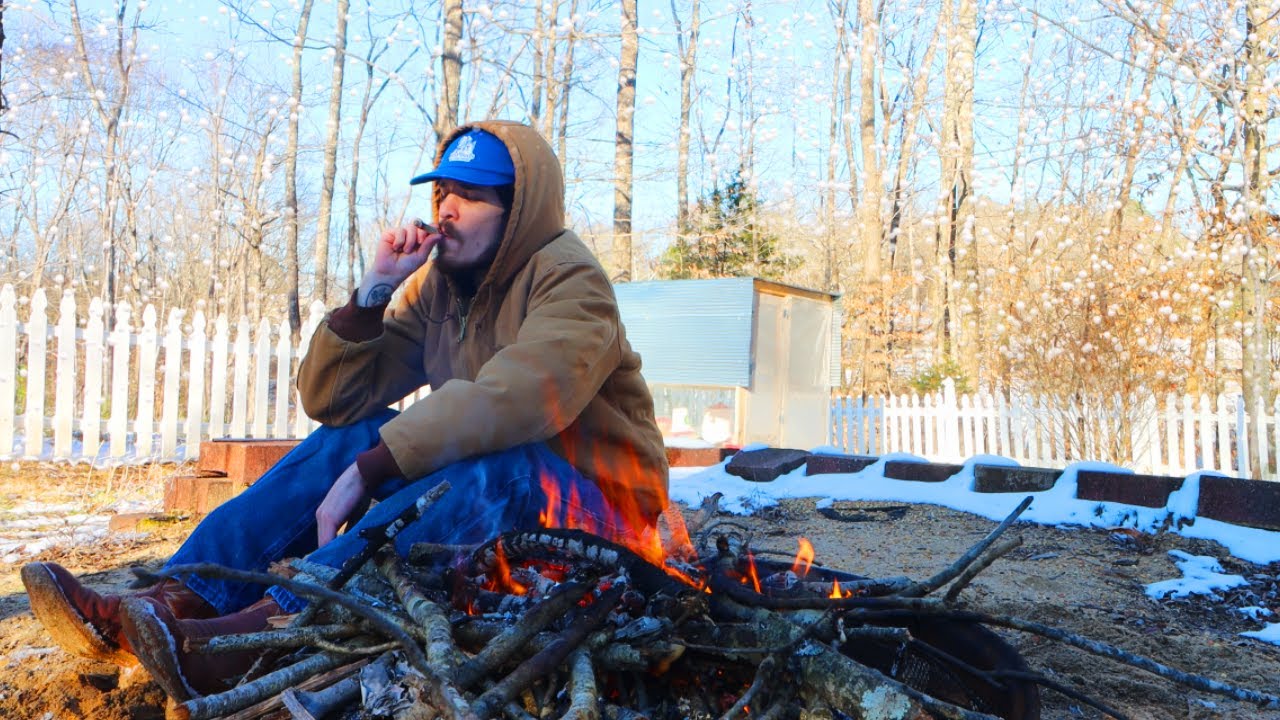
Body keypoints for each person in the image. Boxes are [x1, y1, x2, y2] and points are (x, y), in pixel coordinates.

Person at [21, 120, 669, 701]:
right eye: (440, 192)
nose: (446, 210)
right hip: (508, 497)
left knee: (497, 464)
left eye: (470, 196)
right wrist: (373, 291)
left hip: (605, 519)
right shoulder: (442, 287)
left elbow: (525, 397)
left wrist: (373, 470)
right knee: (354, 433)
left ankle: (262, 635)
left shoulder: (570, 278)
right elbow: (334, 398)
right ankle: (169, 601)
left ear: (517, 210)